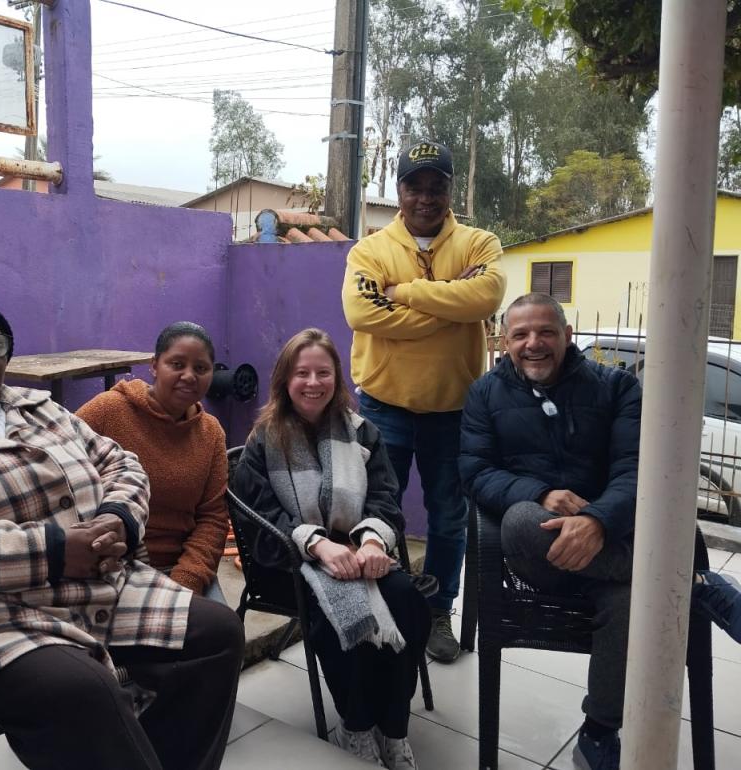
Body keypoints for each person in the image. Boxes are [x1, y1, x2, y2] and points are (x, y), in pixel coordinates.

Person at [0, 290, 244, 770]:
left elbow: (122, 463)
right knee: (80, 690)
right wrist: (52, 551)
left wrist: (118, 516)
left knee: (218, 634)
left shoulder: (40, 411)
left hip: (97, 590)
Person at [232, 328, 430, 770]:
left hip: (359, 547)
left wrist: (374, 540)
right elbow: (260, 517)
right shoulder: (264, 439)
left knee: (408, 604)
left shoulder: (363, 432)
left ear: (337, 378)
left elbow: (384, 498)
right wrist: (317, 545)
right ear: (285, 380)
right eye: (301, 373)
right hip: (291, 558)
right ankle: (356, 726)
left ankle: (393, 728)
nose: (313, 382)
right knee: (337, 615)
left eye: (323, 372)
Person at [459, 292, 641, 770]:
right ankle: (685, 578)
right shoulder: (484, 393)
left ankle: (600, 732)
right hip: (539, 555)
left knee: (627, 600)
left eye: (545, 332)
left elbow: (636, 468)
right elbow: (474, 472)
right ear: (504, 341)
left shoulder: (617, 387)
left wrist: (597, 521)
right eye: (520, 334)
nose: (533, 343)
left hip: (607, 540)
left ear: (568, 336)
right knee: (520, 519)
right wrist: (539, 492)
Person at [341, 140, 507, 662]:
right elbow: (363, 315)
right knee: (376, 511)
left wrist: (406, 293)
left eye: (437, 186)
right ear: (400, 190)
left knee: (448, 517)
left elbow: (485, 297)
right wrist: (448, 304)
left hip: (454, 411)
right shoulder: (368, 251)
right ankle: (384, 603)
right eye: (416, 186)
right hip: (383, 407)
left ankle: (437, 613)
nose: (426, 197)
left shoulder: (481, 244)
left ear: (450, 189)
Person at [76, 321, 229, 599]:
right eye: (177, 364)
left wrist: (187, 580)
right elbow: (58, 463)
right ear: (154, 365)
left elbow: (213, 518)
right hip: (113, 565)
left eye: (201, 368)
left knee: (221, 630)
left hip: (182, 566)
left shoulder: (211, 433)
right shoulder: (108, 411)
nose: (189, 376)